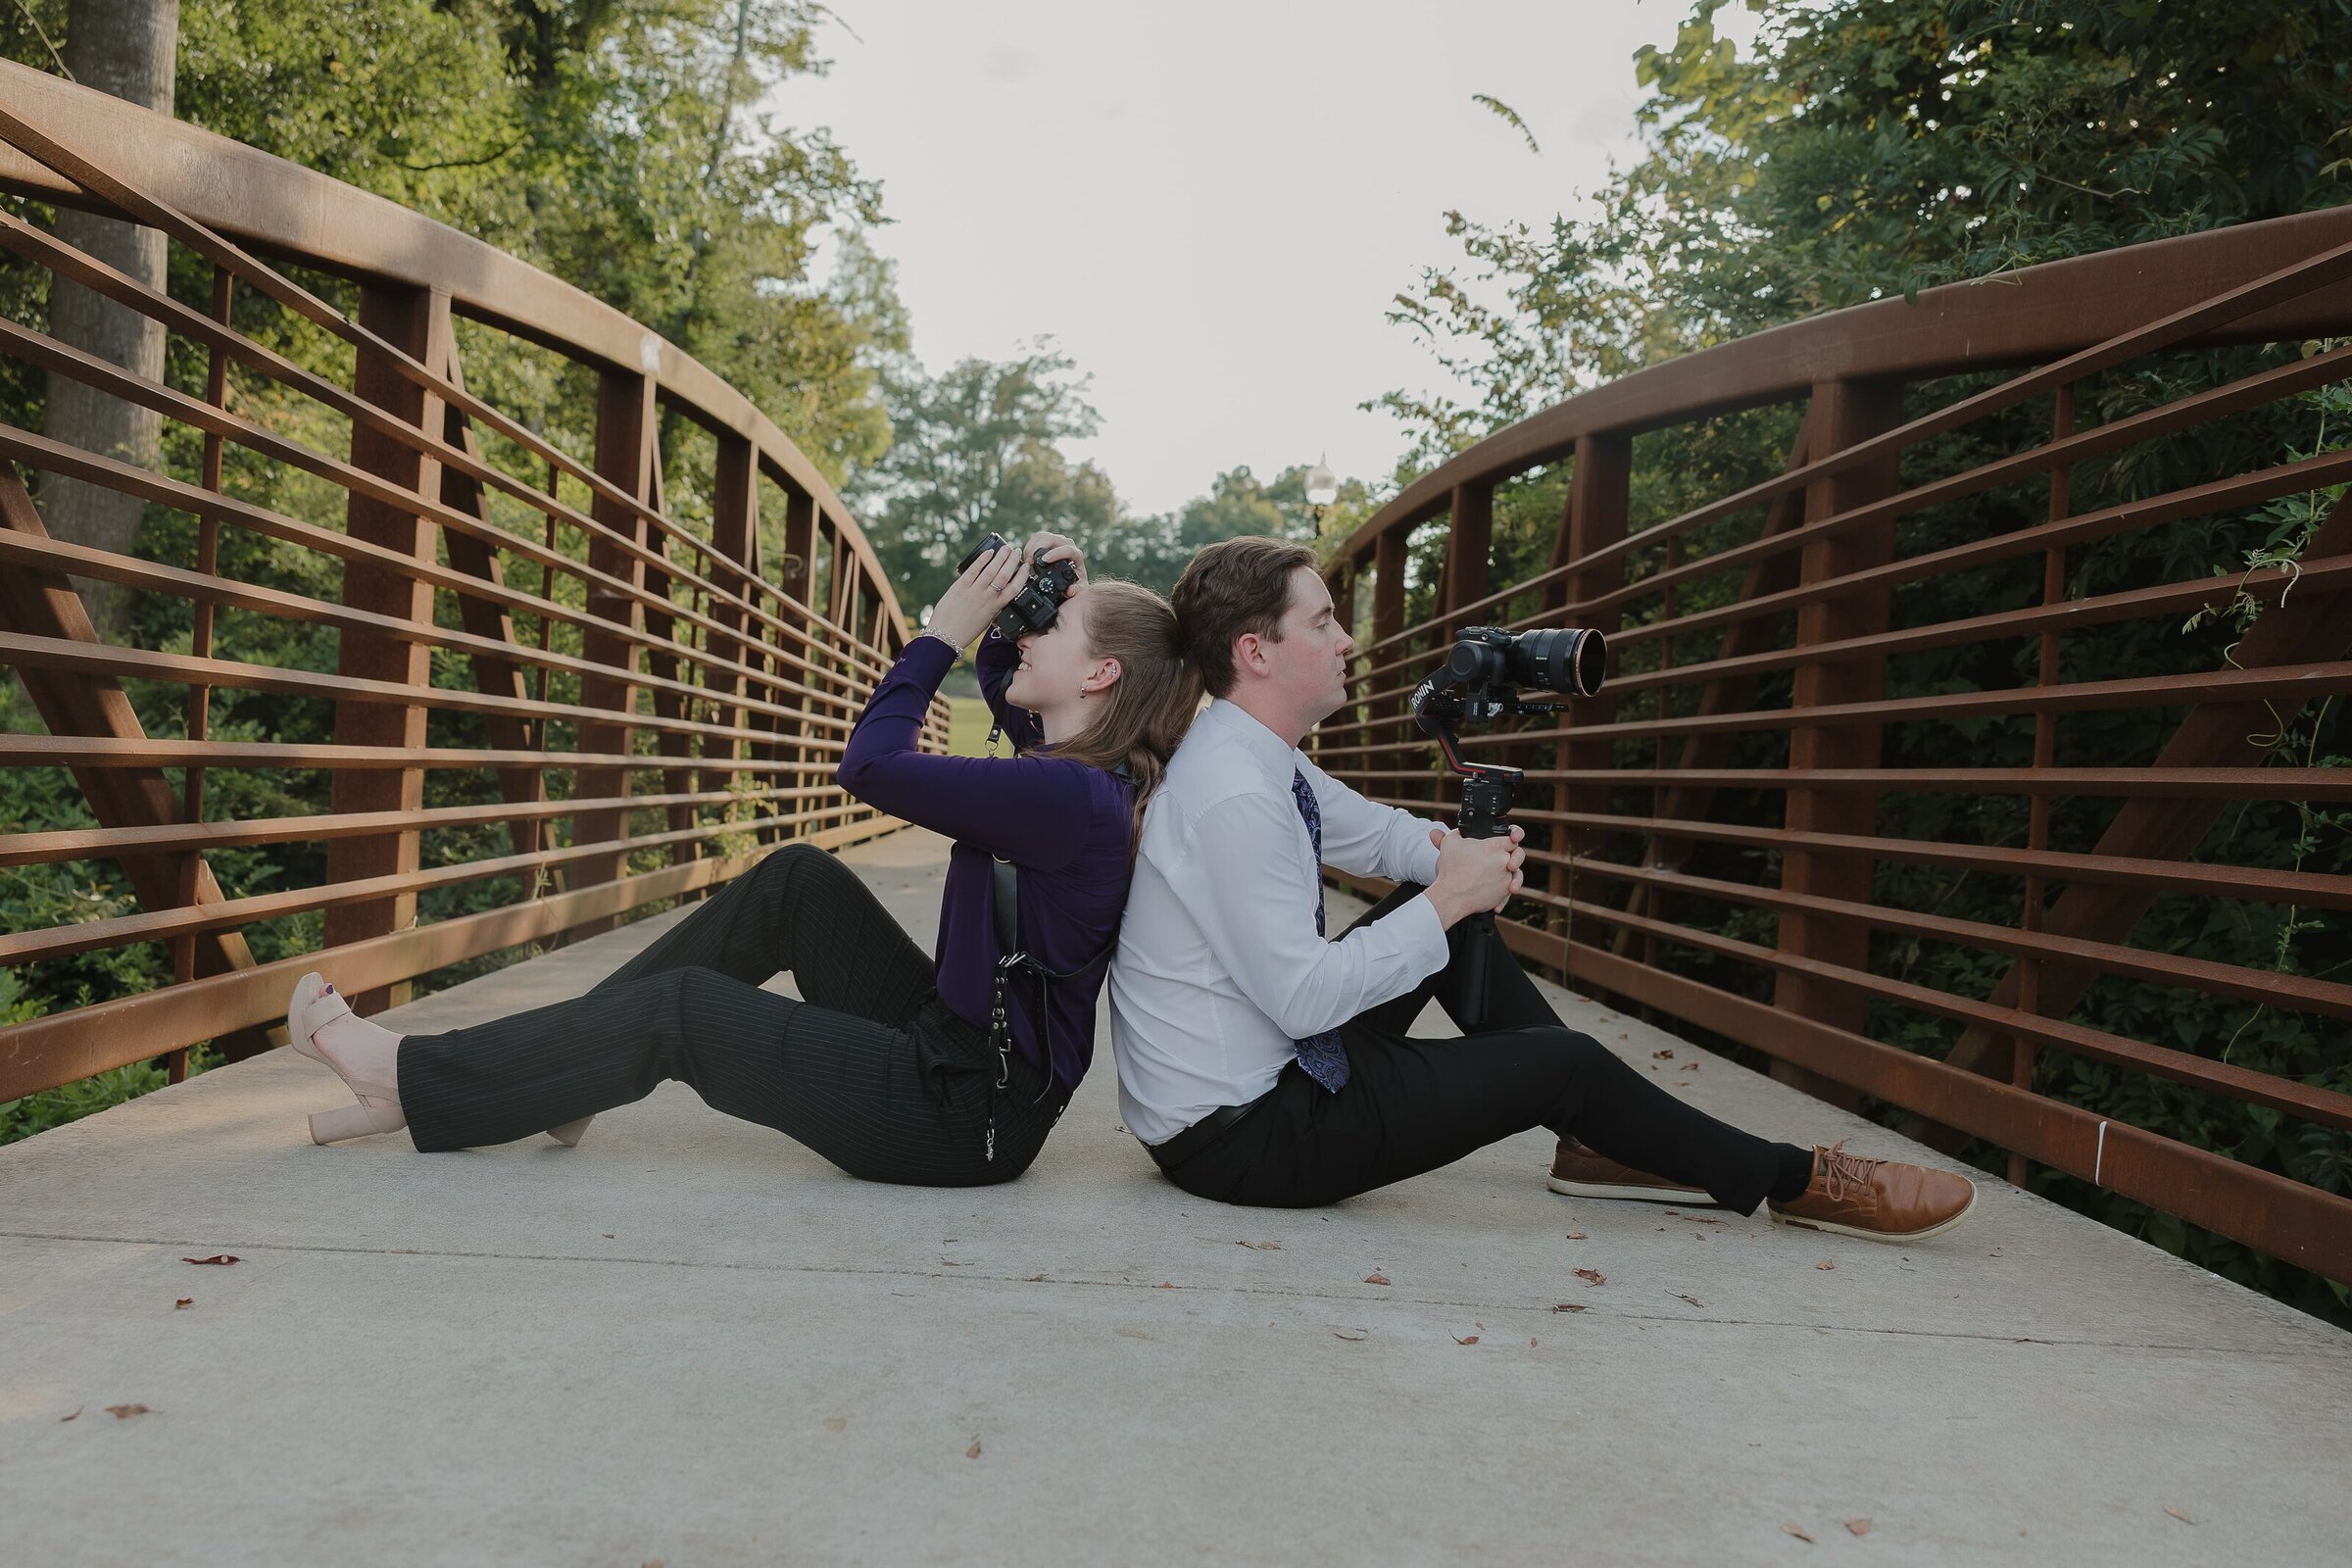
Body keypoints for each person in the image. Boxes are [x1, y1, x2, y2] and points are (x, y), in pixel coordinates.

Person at [1106, 535, 1976, 1241]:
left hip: (1271, 1074)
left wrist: (1463, 859)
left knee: (1449, 918)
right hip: (1246, 1136)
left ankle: (1597, 1139)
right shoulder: (1232, 795)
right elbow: (1301, 997)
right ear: (1255, 652)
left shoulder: (1255, 756)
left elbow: (1381, 834)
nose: (1348, 640)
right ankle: (1794, 1179)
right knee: (1559, 1055)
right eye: (1325, 622)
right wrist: (1454, 894)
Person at [285, 533, 1201, 1186]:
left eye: (1056, 625)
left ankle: (406, 1078)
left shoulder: (1065, 797)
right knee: (795, 884)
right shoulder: (1083, 776)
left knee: (685, 1014)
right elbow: (1011, 690)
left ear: (1100, 675)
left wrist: (939, 633)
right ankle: (552, 1077)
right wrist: (1030, 603)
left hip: (962, 1114)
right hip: (966, 1057)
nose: (1028, 634)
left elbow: (873, 763)